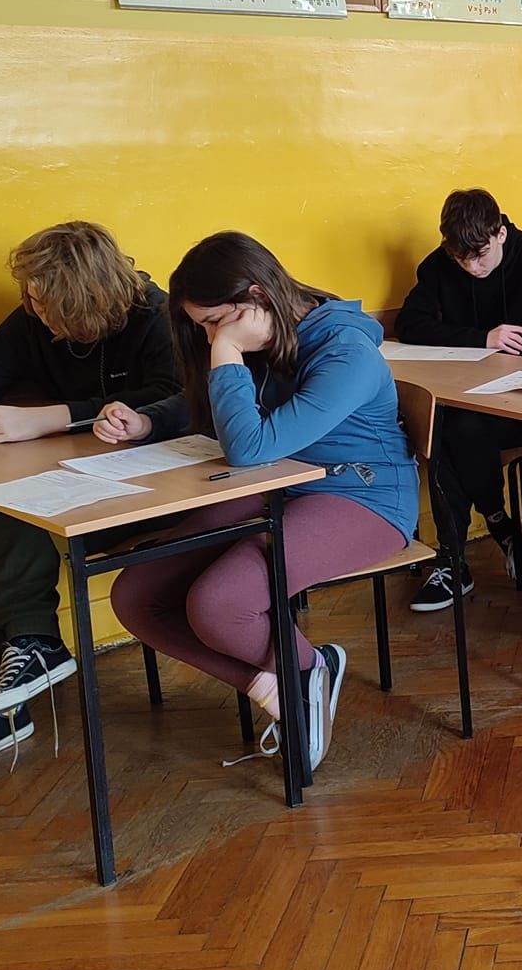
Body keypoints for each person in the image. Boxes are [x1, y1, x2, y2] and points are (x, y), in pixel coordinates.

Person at [100, 232, 418, 773]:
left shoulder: (347, 351)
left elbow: (248, 446)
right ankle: (282, 681)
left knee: (219, 603)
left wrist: (226, 350)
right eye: (205, 329)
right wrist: (149, 421)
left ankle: (304, 672)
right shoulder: (265, 334)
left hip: (364, 496)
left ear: (256, 296)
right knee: (137, 594)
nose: (210, 337)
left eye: (213, 323)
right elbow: (220, 409)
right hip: (279, 485)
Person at [0, 222, 181, 781]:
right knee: (2, 505)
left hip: (162, 492)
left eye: (47, 303)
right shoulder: (33, 317)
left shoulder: (158, 316)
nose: (35, 311)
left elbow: (176, 397)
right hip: (79, 483)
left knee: (9, 529)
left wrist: (53, 417)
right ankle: (26, 655)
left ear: (85, 299)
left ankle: (3, 691)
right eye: (31, 298)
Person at [396, 189, 522, 610]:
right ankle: (496, 534)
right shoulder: (440, 264)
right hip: (469, 404)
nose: (472, 267)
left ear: (501, 233)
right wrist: (481, 339)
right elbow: (409, 324)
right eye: (462, 259)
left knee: (452, 432)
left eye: (480, 255)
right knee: (445, 428)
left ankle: (460, 555)